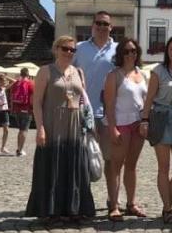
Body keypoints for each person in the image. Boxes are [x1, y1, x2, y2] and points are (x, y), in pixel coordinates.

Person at [25, 36, 95, 222]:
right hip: (53, 125)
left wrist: (88, 126)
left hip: (74, 126)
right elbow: (37, 103)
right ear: (56, 49)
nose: (69, 52)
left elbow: (83, 101)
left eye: (72, 50)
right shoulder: (45, 71)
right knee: (52, 167)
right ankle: (50, 210)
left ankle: (74, 209)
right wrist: (40, 128)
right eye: (65, 48)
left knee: (74, 167)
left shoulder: (79, 72)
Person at [139, 37, 172, 224]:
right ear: (167, 51)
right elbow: (149, 98)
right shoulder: (158, 71)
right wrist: (144, 120)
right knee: (164, 167)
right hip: (162, 117)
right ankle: (168, 209)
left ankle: (166, 207)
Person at [103, 38, 148, 221]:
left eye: (134, 51)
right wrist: (112, 128)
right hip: (121, 123)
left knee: (132, 166)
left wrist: (146, 121)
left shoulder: (142, 74)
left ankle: (131, 203)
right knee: (116, 166)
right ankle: (114, 206)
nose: (130, 54)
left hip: (138, 124)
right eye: (127, 51)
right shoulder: (114, 75)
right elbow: (109, 105)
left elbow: (146, 101)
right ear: (121, 53)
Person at [74, 11, 118, 198]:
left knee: (111, 160)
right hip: (82, 113)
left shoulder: (118, 49)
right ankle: (83, 199)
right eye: (98, 23)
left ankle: (112, 200)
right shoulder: (79, 48)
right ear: (92, 25)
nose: (101, 27)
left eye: (105, 24)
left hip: (109, 114)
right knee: (82, 158)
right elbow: (67, 74)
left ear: (111, 27)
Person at [11, 67, 35, 156]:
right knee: (24, 130)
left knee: (20, 130)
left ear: (20, 74)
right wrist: (33, 108)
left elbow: (12, 96)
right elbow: (32, 98)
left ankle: (19, 148)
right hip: (26, 109)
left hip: (17, 109)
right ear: (28, 74)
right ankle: (20, 150)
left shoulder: (16, 83)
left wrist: (12, 109)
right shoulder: (30, 83)